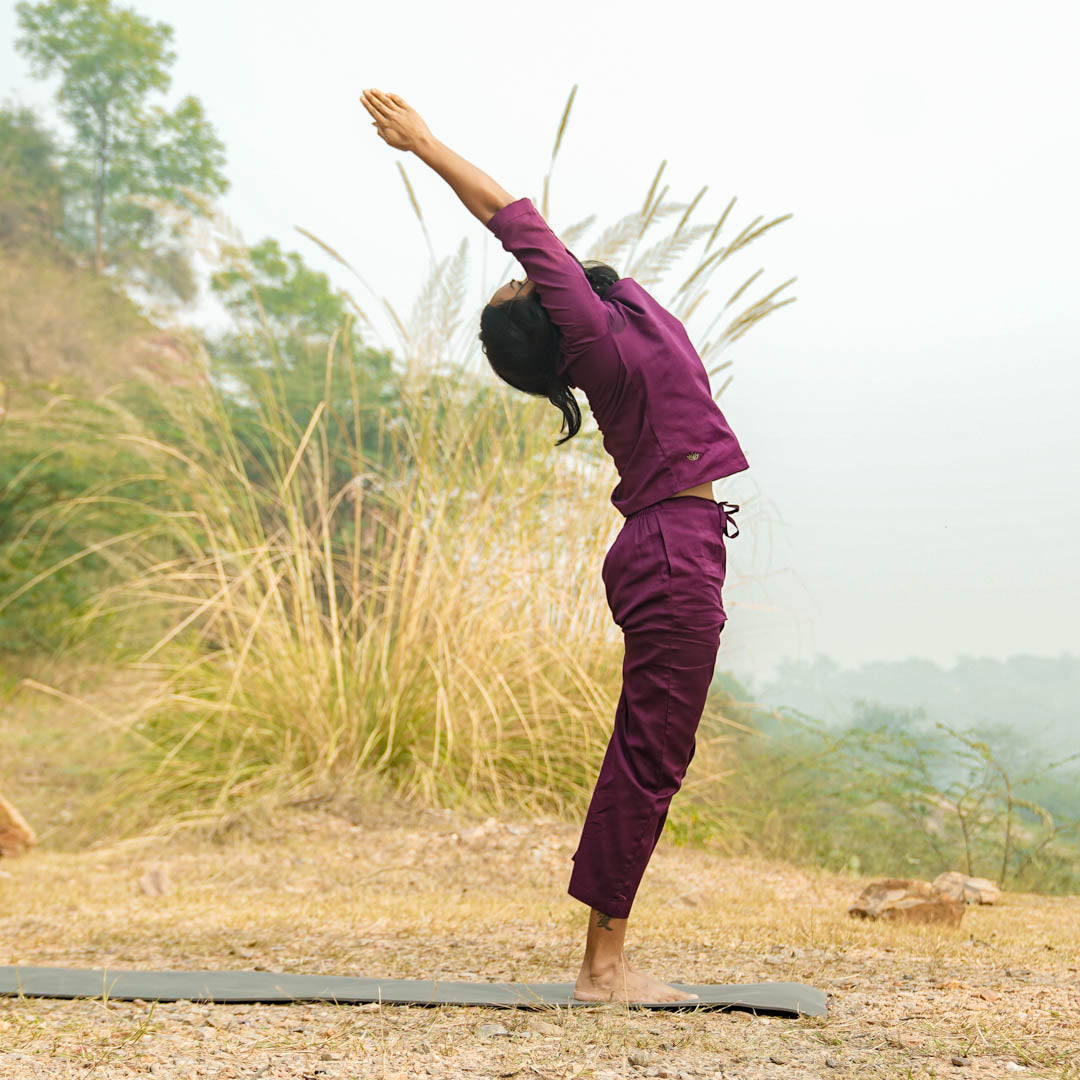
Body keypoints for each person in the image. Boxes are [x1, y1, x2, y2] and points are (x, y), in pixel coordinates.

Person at [359, 88, 749, 1004]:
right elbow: (510, 217)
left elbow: (539, 243)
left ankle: (605, 960)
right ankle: (604, 970)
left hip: (677, 543)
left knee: (653, 749)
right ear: (549, 319)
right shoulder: (592, 341)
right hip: (669, 551)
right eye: (527, 281)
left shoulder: (606, 324)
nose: (540, 268)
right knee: (651, 755)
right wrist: (425, 144)